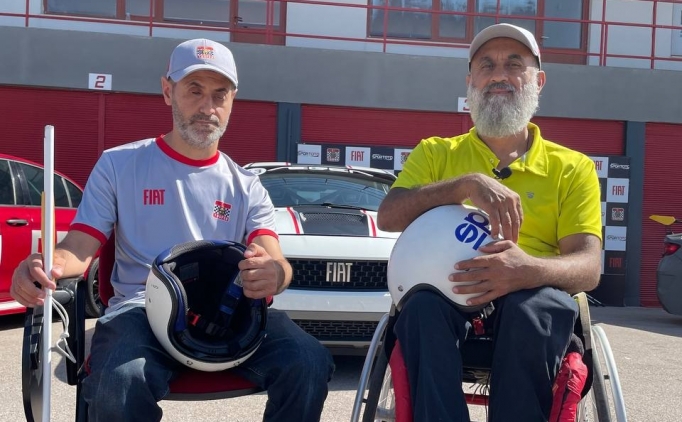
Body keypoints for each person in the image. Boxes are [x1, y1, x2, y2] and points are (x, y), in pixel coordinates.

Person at [10, 38, 334, 422]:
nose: (207, 107)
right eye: (194, 90)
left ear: (232, 100)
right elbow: (78, 248)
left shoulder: (247, 186)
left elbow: (275, 259)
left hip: (225, 316)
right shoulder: (119, 166)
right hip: (140, 313)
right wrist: (42, 266)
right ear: (168, 91)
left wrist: (275, 274)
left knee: (309, 361)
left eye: (219, 94)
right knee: (120, 381)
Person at [376, 24, 603, 422]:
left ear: (538, 81)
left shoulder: (573, 167)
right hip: (448, 293)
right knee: (420, 308)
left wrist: (527, 270)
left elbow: (588, 267)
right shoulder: (436, 154)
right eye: (486, 65)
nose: (499, 75)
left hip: (531, 303)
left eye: (514, 64)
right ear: (470, 82)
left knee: (534, 306)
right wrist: (462, 185)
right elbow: (389, 215)